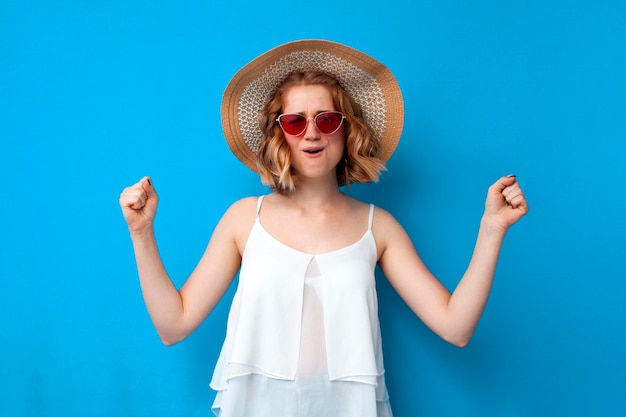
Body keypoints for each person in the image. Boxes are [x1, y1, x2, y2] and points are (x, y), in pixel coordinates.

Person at [119, 40, 528, 417]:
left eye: (327, 119)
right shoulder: (244, 219)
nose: (312, 132)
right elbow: (174, 325)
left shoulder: (378, 228)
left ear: (346, 128)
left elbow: (455, 327)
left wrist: (491, 230)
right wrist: (142, 234)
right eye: (295, 122)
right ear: (280, 133)